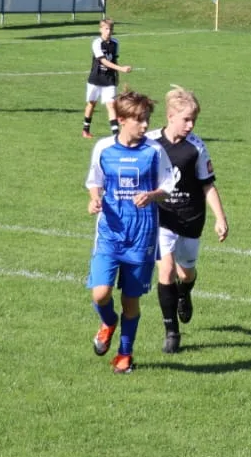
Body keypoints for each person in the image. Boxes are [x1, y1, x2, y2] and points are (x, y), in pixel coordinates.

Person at [85, 89, 176, 374]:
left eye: (147, 119)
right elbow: (94, 180)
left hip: (142, 235)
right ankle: (108, 322)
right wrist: (94, 199)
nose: (145, 125)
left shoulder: (154, 151)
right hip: (110, 233)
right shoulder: (104, 148)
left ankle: (125, 355)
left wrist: (152, 195)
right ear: (122, 120)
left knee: (130, 300)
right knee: (100, 294)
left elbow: (168, 185)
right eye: (139, 119)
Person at [154, 85, 230, 354]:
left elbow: (208, 185)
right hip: (162, 217)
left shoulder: (196, 147)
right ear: (170, 116)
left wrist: (220, 218)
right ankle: (171, 332)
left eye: (193, 120)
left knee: (185, 273)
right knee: (166, 270)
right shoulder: (151, 143)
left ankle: (185, 292)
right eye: (186, 119)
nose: (190, 125)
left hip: (191, 217)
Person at [82, 18, 131, 137]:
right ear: (101, 29)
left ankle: (116, 134)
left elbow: (114, 60)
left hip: (109, 79)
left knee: (111, 105)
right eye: (106, 29)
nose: (108, 31)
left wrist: (117, 75)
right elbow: (103, 61)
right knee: (91, 104)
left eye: (110, 29)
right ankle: (85, 130)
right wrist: (121, 69)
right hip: (96, 78)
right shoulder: (97, 43)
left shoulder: (115, 43)